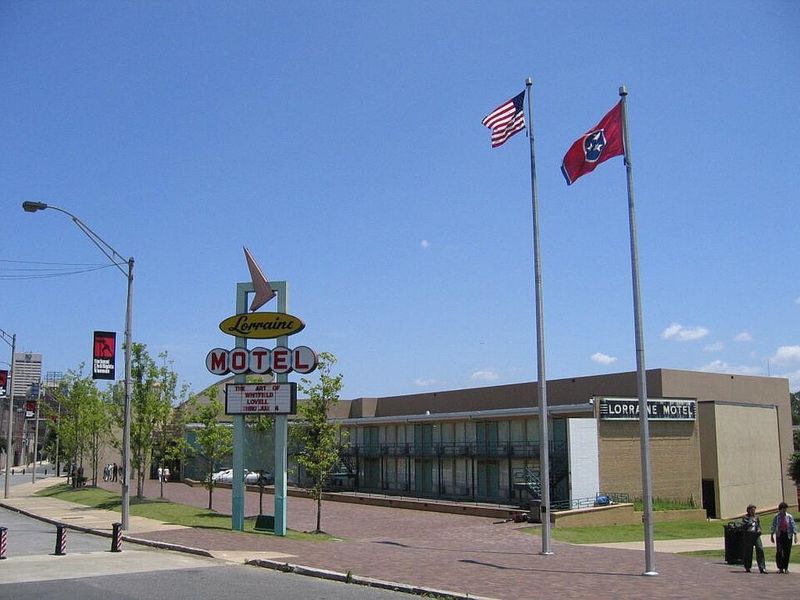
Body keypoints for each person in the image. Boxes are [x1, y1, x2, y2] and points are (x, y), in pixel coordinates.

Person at [770, 501, 797, 574]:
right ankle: (780, 567)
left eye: (785, 509)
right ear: (780, 509)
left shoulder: (789, 516)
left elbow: (793, 525)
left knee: (787, 552)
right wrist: (772, 535)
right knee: (779, 551)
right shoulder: (777, 516)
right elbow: (773, 525)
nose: (784, 510)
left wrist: (795, 536)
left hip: (787, 535)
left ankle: (786, 568)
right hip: (780, 535)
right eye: (783, 509)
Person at [742, 504, 767, 573]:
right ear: (748, 510)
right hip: (749, 536)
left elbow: (758, 525)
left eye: (754, 510)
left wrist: (759, 529)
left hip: (756, 535)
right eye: (752, 510)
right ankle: (747, 566)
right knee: (748, 551)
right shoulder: (745, 517)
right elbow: (744, 526)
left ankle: (762, 568)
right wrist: (751, 521)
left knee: (760, 549)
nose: (753, 511)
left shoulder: (756, 517)